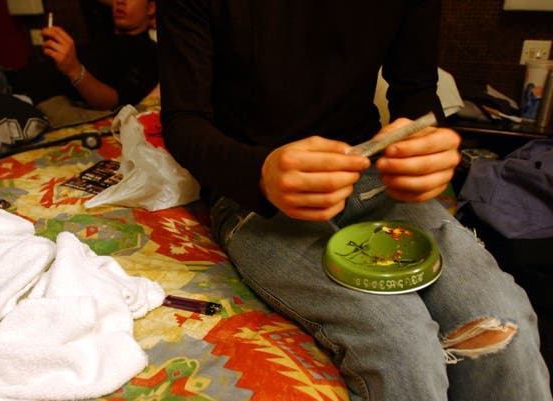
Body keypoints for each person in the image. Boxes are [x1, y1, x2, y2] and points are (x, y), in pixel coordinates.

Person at [156, 1, 552, 400]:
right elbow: (182, 119)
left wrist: (423, 142)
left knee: (504, 324)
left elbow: (416, 91)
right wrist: (260, 172)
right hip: (254, 192)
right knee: (400, 345)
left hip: (370, 171)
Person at [0, 0, 157, 111]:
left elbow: (115, 101)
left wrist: (74, 69)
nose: (121, 2)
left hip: (8, 90)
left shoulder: (148, 51)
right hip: (8, 75)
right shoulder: (103, 27)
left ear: (152, 7)